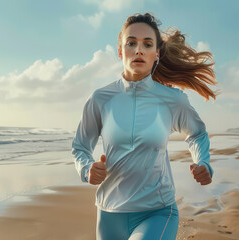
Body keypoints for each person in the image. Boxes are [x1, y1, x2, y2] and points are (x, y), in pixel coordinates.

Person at [72, 12, 220, 240]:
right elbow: (81, 147)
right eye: (131, 43)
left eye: (147, 44)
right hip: (109, 213)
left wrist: (203, 162)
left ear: (156, 54)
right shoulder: (100, 99)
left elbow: (197, 133)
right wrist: (86, 169)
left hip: (158, 211)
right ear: (121, 51)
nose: (139, 50)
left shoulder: (172, 99)